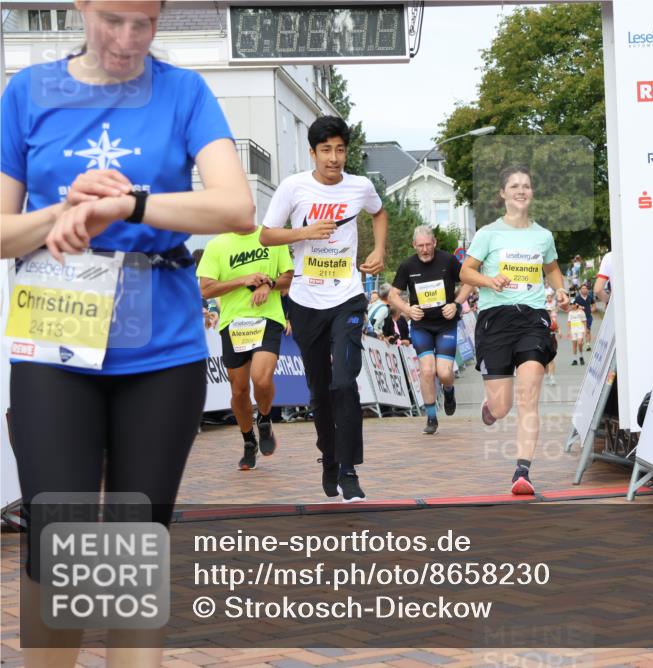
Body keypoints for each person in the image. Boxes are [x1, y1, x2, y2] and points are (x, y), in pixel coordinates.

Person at [0, 1, 255, 665]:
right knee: (63, 548)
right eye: (112, 18)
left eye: (145, 22)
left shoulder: (184, 91)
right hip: (56, 344)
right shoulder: (26, 92)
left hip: (159, 351)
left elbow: (235, 207)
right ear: (80, 6)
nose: (128, 38)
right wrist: (67, 211)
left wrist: (130, 204)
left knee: (135, 551)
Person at [259, 115, 387, 503]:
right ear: (312, 153)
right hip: (304, 301)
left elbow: (379, 212)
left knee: (345, 382)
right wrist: (303, 232)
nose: (334, 158)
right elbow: (266, 235)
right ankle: (328, 459)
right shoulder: (293, 187)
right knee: (319, 390)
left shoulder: (360, 187)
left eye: (341, 150)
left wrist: (379, 249)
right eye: (326, 150)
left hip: (346, 297)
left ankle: (349, 470)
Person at [460, 165, 570, 495]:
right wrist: (489, 280)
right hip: (495, 320)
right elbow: (466, 272)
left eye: (526, 186)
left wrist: (561, 289)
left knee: (529, 397)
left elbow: (552, 268)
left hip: (532, 318)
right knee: (503, 406)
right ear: (503, 194)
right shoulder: (488, 234)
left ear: (531, 193)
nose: (521, 190)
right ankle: (491, 407)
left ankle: (522, 472)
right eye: (514, 186)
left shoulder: (543, 236)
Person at [197, 226, 293, 471]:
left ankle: (264, 417)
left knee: (261, 379)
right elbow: (205, 289)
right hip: (233, 323)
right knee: (239, 391)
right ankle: (249, 440)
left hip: (268, 318)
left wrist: (267, 284)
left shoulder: (271, 238)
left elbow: (289, 277)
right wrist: (243, 280)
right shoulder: (217, 245)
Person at [389, 225, 472, 435]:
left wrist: (456, 303)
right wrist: (407, 309)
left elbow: (469, 282)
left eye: (428, 245)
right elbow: (392, 295)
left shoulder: (447, 261)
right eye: (420, 246)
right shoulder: (407, 265)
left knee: (444, 373)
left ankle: (449, 390)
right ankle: (431, 417)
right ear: (414, 246)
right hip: (421, 326)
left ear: (434, 242)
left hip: (446, 324)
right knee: (427, 370)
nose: (425, 250)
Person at [544, 292, 560, 386]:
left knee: (551, 360)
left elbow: (557, 329)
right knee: (545, 361)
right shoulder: (540, 321)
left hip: (552, 341)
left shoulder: (553, 322)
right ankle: (547, 375)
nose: (548, 312)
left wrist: (557, 331)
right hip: (542, 342)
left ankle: (552, 377)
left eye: (549, 311)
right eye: (547, 311)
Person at [574, 283, 595, 351]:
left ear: (587, 290)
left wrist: (592, 309)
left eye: (585, 288)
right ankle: (581, 343)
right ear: (580, 290)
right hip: (579, 318)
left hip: (588, 317)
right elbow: (573, 306)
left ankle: (588, 345)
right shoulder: (577, 298)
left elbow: (594, 305)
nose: (584, 290)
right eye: (582, 288)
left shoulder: (590, 297)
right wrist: (579, 307)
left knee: (588, 330)